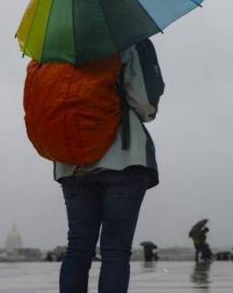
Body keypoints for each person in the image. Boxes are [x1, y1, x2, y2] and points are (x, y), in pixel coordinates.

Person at [55, 44, 162, 293]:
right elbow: (145, 105)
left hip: (72, 162)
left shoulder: (52, 50)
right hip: (121, 157)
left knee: (78, 248)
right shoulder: (126, 41)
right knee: (115, 250)